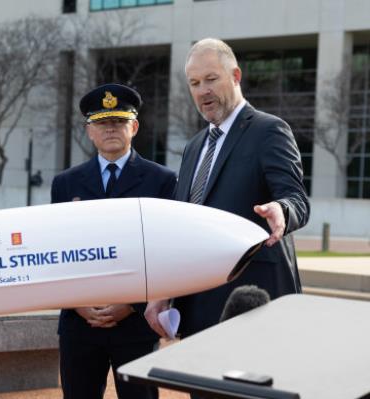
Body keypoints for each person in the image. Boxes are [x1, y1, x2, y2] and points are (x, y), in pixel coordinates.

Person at [145, 38, 310, 340]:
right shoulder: (193, 147)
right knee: (199, 389)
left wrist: (281, 210)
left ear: (235, 76)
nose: (202, 90)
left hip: (252, 307)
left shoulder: (269, 130)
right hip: (196, 306)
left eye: (211, 79)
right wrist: (163, 291)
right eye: (194, 83)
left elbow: (297, 198)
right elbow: (183, 226)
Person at [51, 83, 177, 399]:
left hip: (135, 325)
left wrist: (130, 306)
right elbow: (56, 249)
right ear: (89, 131)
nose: (111, 130)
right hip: (79, 326)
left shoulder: (161, 181)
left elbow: (165, 252)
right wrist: (78, 305)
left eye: (119, 122)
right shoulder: (66, 184)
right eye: (102, 123)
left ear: (133, 127)